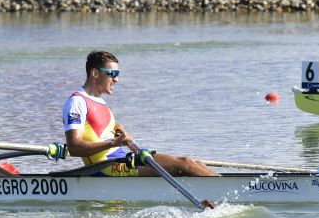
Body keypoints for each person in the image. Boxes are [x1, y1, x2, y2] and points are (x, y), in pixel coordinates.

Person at [63, 50, 217, 177]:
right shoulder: (77, 102)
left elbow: (99, 133)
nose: (116, 79)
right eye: (112, 73)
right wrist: (112, 143)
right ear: (95, 73)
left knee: (197, 164)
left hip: (121, 160)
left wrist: (117, 132)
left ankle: (219, 186)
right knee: (185, 163)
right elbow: (75, 148)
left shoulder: (100, 102)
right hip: (106, 168)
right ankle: (226, 194)